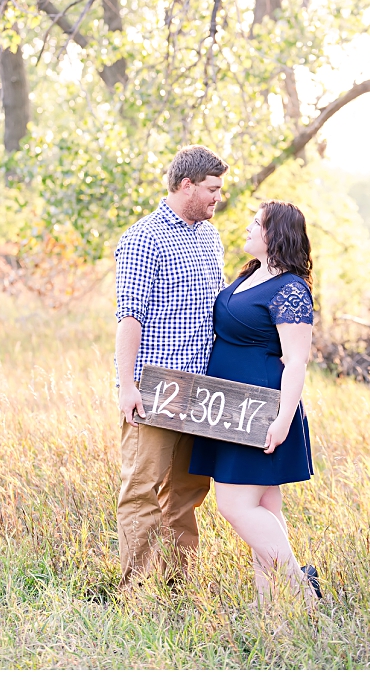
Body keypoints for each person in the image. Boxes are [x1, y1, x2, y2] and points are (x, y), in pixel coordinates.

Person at [188, 199, 320, 612]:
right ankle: (271, 610)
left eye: (256, 222)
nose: (247, 227)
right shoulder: (251, 274)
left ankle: (302, 588)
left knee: (234, 504)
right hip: (231, 408)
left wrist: (282, 419)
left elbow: (296, 360)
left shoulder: (291, 289)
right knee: (264, 506)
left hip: (261, 408)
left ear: (275, 233)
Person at [115, 145, 228, 585]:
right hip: (155, 389)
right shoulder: (145, 237)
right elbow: (130, 317)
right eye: (212, 189)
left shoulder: (208, 236)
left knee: (186, 490)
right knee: (142, 487)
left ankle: (176, 585)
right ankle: (136, 589)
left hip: (199, 391)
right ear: (187, 186)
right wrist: (128, 386)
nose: (218, 198)